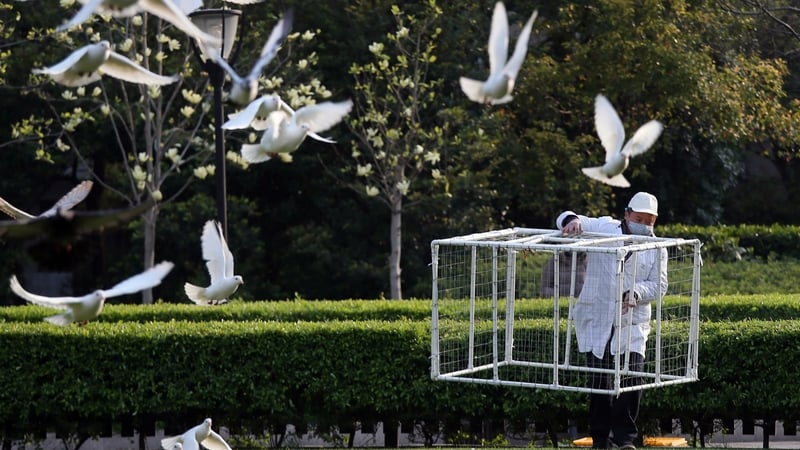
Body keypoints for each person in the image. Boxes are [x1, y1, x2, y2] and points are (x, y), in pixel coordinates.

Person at [555, 192, 668, 450]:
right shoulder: (604, 227)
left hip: (633, 321)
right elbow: (567, 218)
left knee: (631, 377)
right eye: (639, 218)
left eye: (649, 221)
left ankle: (625, 439)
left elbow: (659, 285)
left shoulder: (657, 247)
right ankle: (600, 440)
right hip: (598, 318)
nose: (644, 224)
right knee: (600, 382)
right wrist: (572, 221)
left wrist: (637, 292)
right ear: (626, 214)